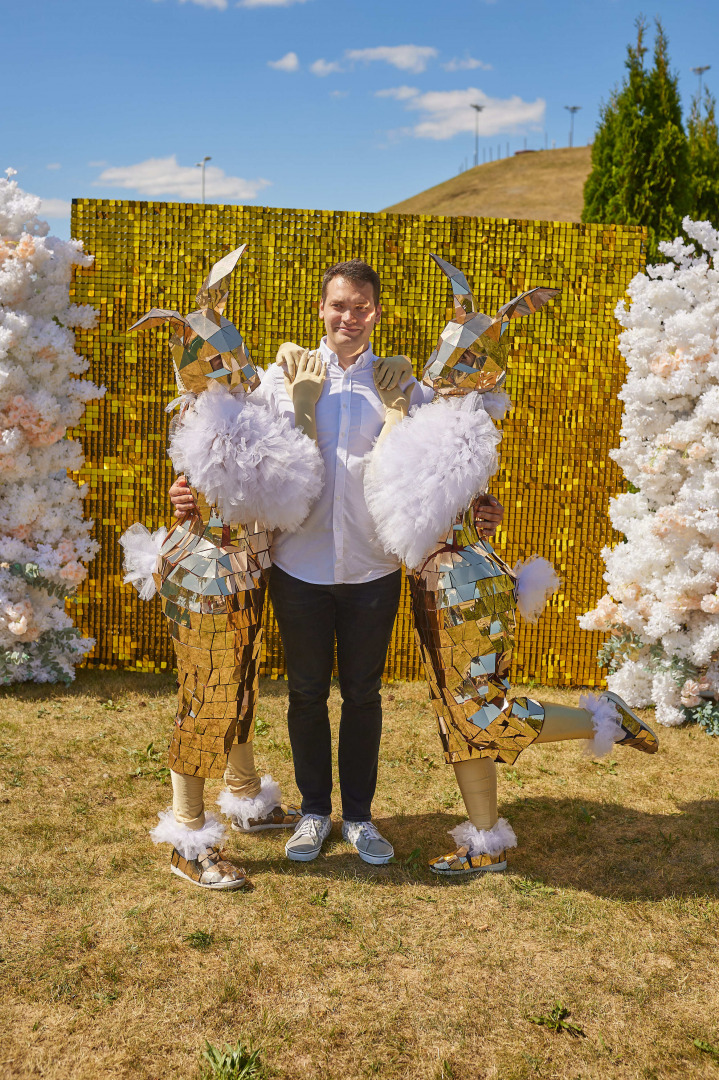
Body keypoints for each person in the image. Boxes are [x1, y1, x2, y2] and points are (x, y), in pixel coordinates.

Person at [170, 258, 494, 866]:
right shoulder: (281, 377)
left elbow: (449, 455)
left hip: (373, 569)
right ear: (322, 309)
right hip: (300, 566)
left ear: (377, 313)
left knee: (365, 695)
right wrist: (186, 489)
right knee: (306, 693)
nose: (350, 317)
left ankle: (361, 817)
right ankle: (315, 813)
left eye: (362, 307)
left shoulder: (399, 383)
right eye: (339, 305)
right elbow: (226, 441)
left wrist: (482, 502)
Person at [363, 254, 659, 876]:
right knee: (458, 713)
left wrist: (393, 414)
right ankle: (485, 839)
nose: (442, 367)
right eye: (445, 351)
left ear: (478, 369)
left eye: (459, 357)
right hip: (438, 578)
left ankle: (603, 715)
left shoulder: (460, 424)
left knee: (481, 711)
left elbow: (400, 502)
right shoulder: (449, 417)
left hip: (462, 580)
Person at [121, 246, 325, 889]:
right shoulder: (200, 416)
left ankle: (244, 794)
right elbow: (243, 490)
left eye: (238, 362)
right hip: (209, 574)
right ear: (195, 370)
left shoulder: (237, 411)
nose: (237, 374)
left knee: (238, 686)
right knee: (206, 698)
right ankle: (187, 837)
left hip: (242, 569)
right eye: (221, 364)